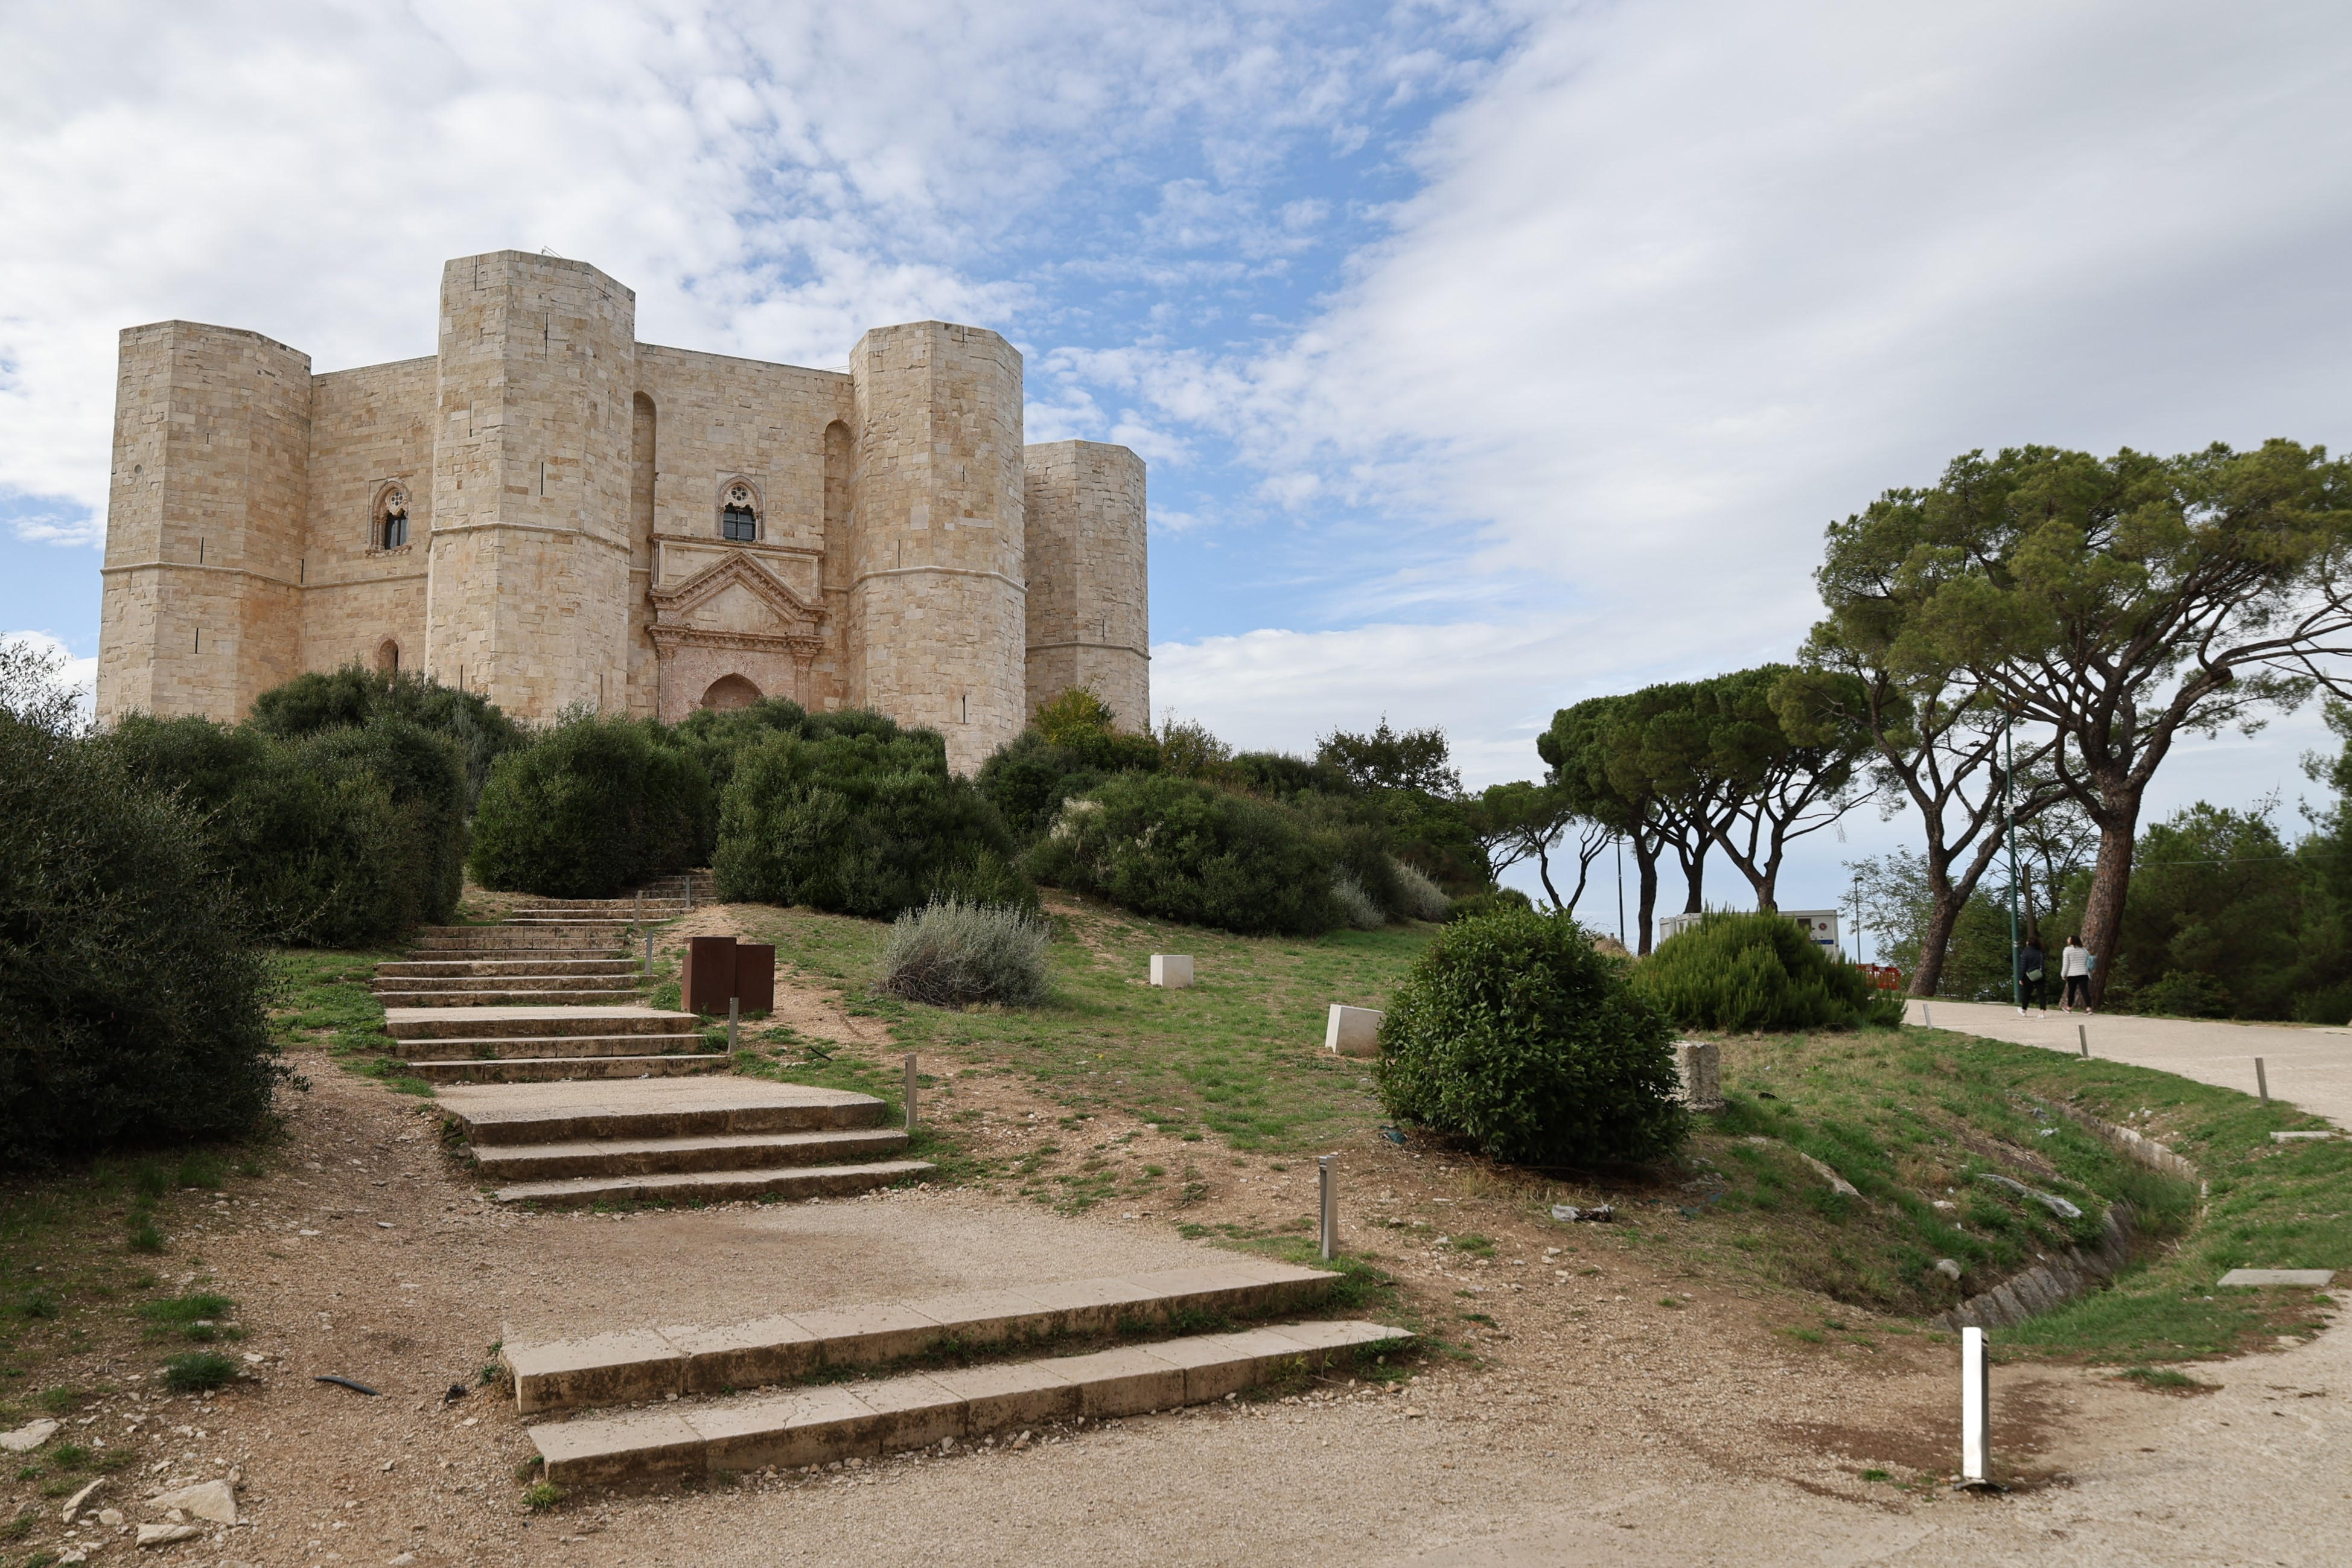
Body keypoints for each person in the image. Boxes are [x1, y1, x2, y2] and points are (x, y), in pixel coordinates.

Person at [2061, 934, 2094, 1013]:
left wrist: (2063, 974)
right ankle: (2089, 1008)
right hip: (2083, 973)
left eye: (2069, 939)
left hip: (2072, 974)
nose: (2067, 940)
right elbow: (2088, 960)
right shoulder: (2084, 950)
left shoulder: (2067, 950)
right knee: (2085, 991)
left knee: (2072, 991)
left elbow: (2066, 964)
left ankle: (2069, 1007)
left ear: (2072, 941)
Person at [2017, 934, 2048, 1015]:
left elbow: (2023, 966)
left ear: (2029, 943)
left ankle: (2024, 1010)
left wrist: (2021, 977)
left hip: (2028, 975)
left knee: (2027, 993)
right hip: (2039, 974)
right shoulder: (2040, 952)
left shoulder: (2026, 952)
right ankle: (2042, 1012)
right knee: (2041, 993)